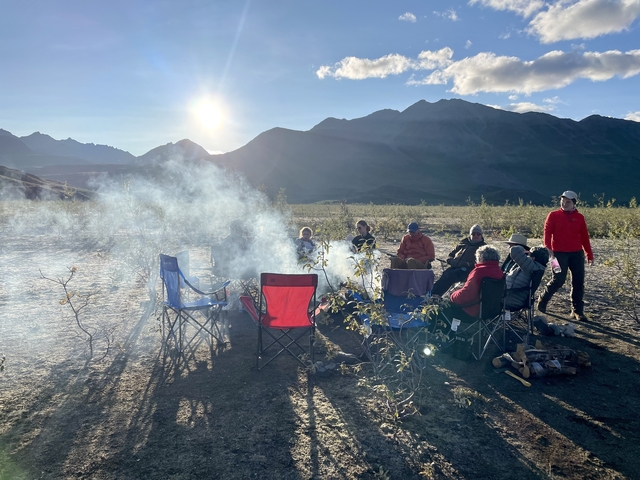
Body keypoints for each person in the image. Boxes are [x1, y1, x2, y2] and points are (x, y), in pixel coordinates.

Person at [537, 190, 593, 321]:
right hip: (556, 254)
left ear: (573, 203)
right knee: (558, 279)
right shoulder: (553, 215)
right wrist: (548, 248)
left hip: (576, 254)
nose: (564, 203)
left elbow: (585, 237)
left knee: (578, 282)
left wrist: (589, 254)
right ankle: (543, 299)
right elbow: (547, 232)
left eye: (568, 201)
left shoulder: (580, 218)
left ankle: (577, 311)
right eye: (563, 201)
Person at [430, 245, 504, 323]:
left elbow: (466, 295)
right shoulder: (500, 273)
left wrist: (451, 296)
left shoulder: (478, 272)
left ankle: (446, 333)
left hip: (471, 311)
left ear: (481, 258)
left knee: (438, 308)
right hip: (492, 312)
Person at [431, 224, 486, 296]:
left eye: (478, 234)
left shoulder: (483, 248)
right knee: (445, 274)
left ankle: (435, 295)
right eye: (473, 234)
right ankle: (431, 294)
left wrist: (467, 264)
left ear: (481, 235)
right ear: (470, 235)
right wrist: (450, 260)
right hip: (454, 266)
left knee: (450, 276)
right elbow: (451, 255)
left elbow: (482, 262)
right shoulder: (463, 243)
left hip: (468, 270)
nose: (475, 236)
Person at [504, 245, 548, 310]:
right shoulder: (539, 268)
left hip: (508, 300)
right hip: (518, 300)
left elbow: (514, 250)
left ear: (533, 258)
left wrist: (523, 250)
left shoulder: (531, 266)